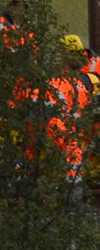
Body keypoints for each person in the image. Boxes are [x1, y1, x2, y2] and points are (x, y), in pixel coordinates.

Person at [47, 35, 94, 184]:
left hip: (77, 138)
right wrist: (69, 141)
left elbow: (86, 114)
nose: (78, 58)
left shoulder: (80, 84)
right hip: (66, 141)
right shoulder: (56, 84)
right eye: (73, 54)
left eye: (79, 54)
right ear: (63, 55)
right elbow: (53, 121)